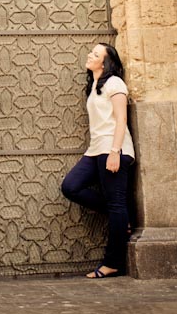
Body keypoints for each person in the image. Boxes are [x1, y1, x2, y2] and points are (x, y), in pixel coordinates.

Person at [61, 43, 135, 278]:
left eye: (95, 54)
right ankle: (122, 216)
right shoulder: (94, 85)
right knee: (71, 186)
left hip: (113, 149)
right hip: (95, 150)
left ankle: (112, 263)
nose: (89, 55)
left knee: (116, 205)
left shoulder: (115, 83)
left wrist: (115, 151)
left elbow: (121, 119)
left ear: (105, 62)